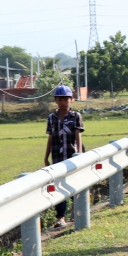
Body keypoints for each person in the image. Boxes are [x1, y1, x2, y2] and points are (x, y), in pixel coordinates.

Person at [44, 86, 84, 228]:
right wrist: (46, 156)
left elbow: (78, 135)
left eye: (66, 99)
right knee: (58, 186)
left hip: (71, 154)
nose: (63, 102)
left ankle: (77, 209)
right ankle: (60, 217)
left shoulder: (75, 116)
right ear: (55, 100)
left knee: (73, 183)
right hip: (57, 155)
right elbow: (50, 136)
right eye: (60, 99)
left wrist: (79, 153)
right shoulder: (52, 117)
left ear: (71, 100)